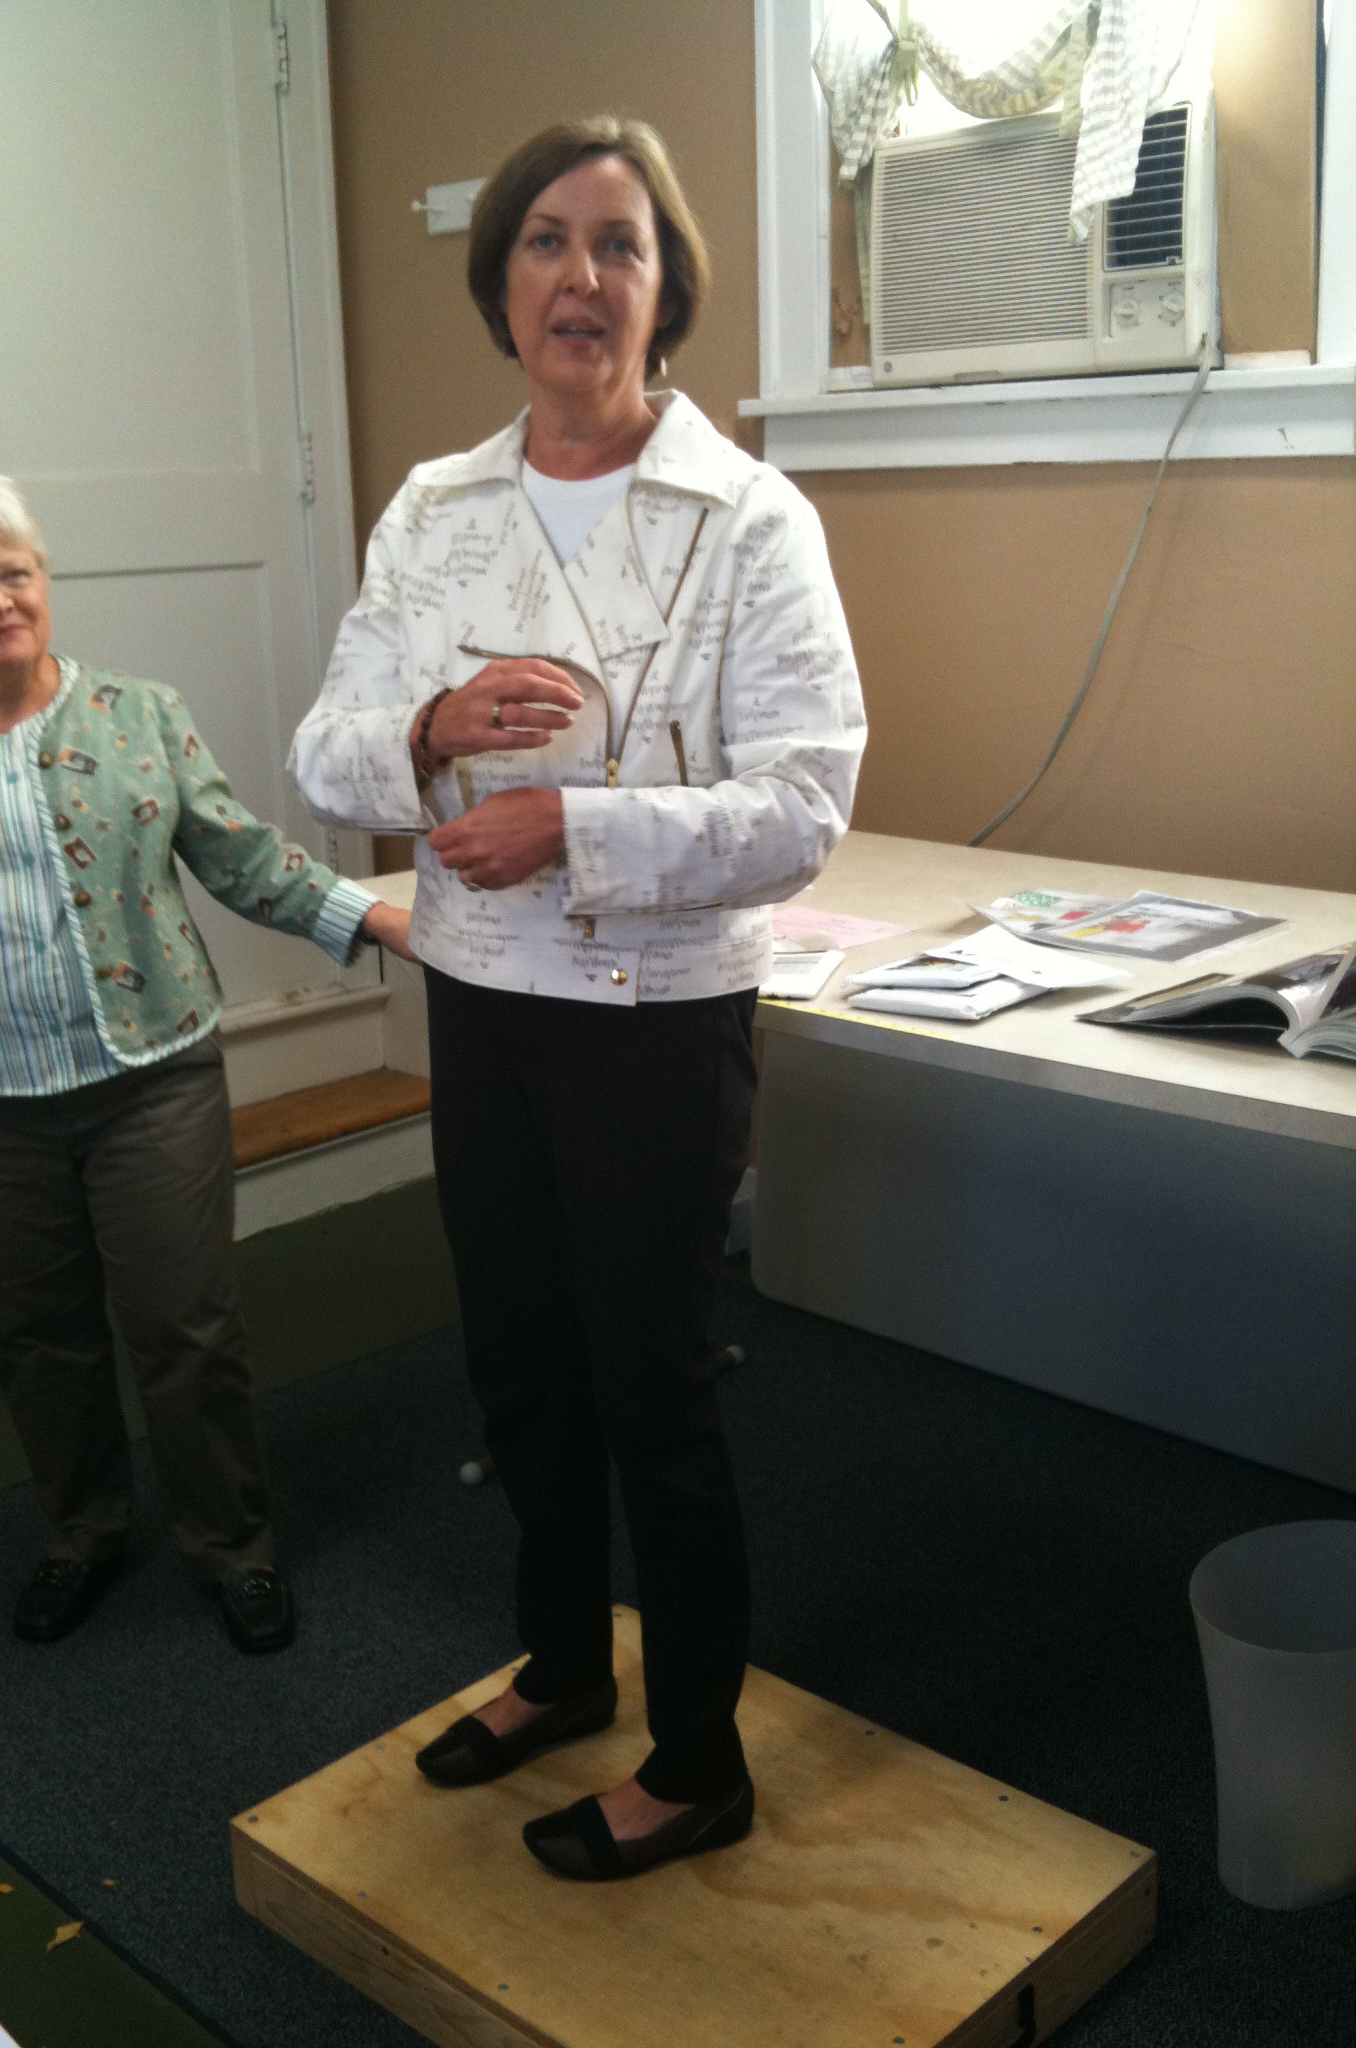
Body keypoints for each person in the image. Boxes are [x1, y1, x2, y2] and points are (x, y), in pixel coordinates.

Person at [290, 115, 865, 1878]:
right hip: (483, 999)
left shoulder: (751, 516)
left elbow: (806, 804)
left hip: (659, 1022)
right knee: (519, 1366)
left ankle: (696, 1758)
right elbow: (321, 751)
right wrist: (426, 730)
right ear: (503, 283)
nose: (581, 276)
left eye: (620, 243)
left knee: (650, 1388)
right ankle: (557, 1666)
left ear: (664, 288)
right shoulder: (433, 511)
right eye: (545, 240)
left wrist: (580, 828)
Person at [0, 469, 414, 1652]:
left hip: (152, 1077)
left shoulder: (139, 713)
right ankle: (82, 1530)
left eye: (15, 573)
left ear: (45, 579)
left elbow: (240, 854)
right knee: (37, 1335)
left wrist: (373, 915)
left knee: (183, 1325)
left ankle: (231, 1544)